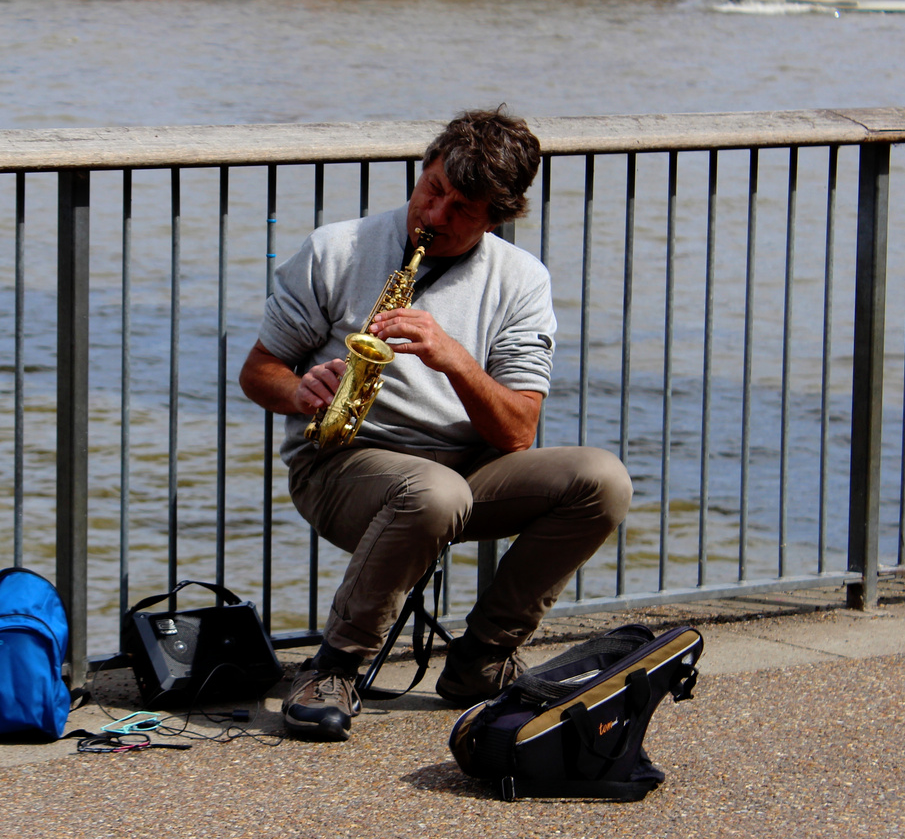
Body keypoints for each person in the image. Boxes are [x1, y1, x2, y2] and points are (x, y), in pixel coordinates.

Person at [239, 108, 632, 742]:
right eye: (434, 191)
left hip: (469, 469)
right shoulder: (335, 249)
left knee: (603, 481)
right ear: (424, 169)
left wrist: (451, 357)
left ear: (498, 217)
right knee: (432, 491)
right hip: (343, 464)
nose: (436, 217)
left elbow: (517, 433)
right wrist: (300, 389)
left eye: (462, 211)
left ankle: (481, 661)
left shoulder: (522, 280)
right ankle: (334, 667)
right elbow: (258, 372)